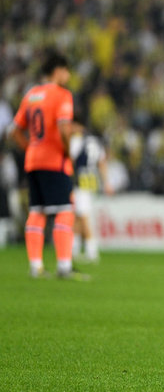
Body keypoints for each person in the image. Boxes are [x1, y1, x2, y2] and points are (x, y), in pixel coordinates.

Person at [9, 51, 85, 280]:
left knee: (37, 212)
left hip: (33, 161)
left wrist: (30, 148)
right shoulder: (62, 95)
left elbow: (14, 131)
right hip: (54, 161)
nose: (68, 76)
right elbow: (63, 128)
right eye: (67, 71)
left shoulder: (31, 95)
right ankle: (64, 266)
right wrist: (67, 152)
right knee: (65, 211)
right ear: (58, 70)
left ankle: (36, 266)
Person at [69, 126, 113, 262]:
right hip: (91, 181)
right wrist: (106, 183)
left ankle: (92, 251)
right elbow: (102, 163)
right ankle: (74, 250)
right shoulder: (97, 142)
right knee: (78, 216)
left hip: (79, 180)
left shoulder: (76, 140)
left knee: (83, 216)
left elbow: (70, 159)